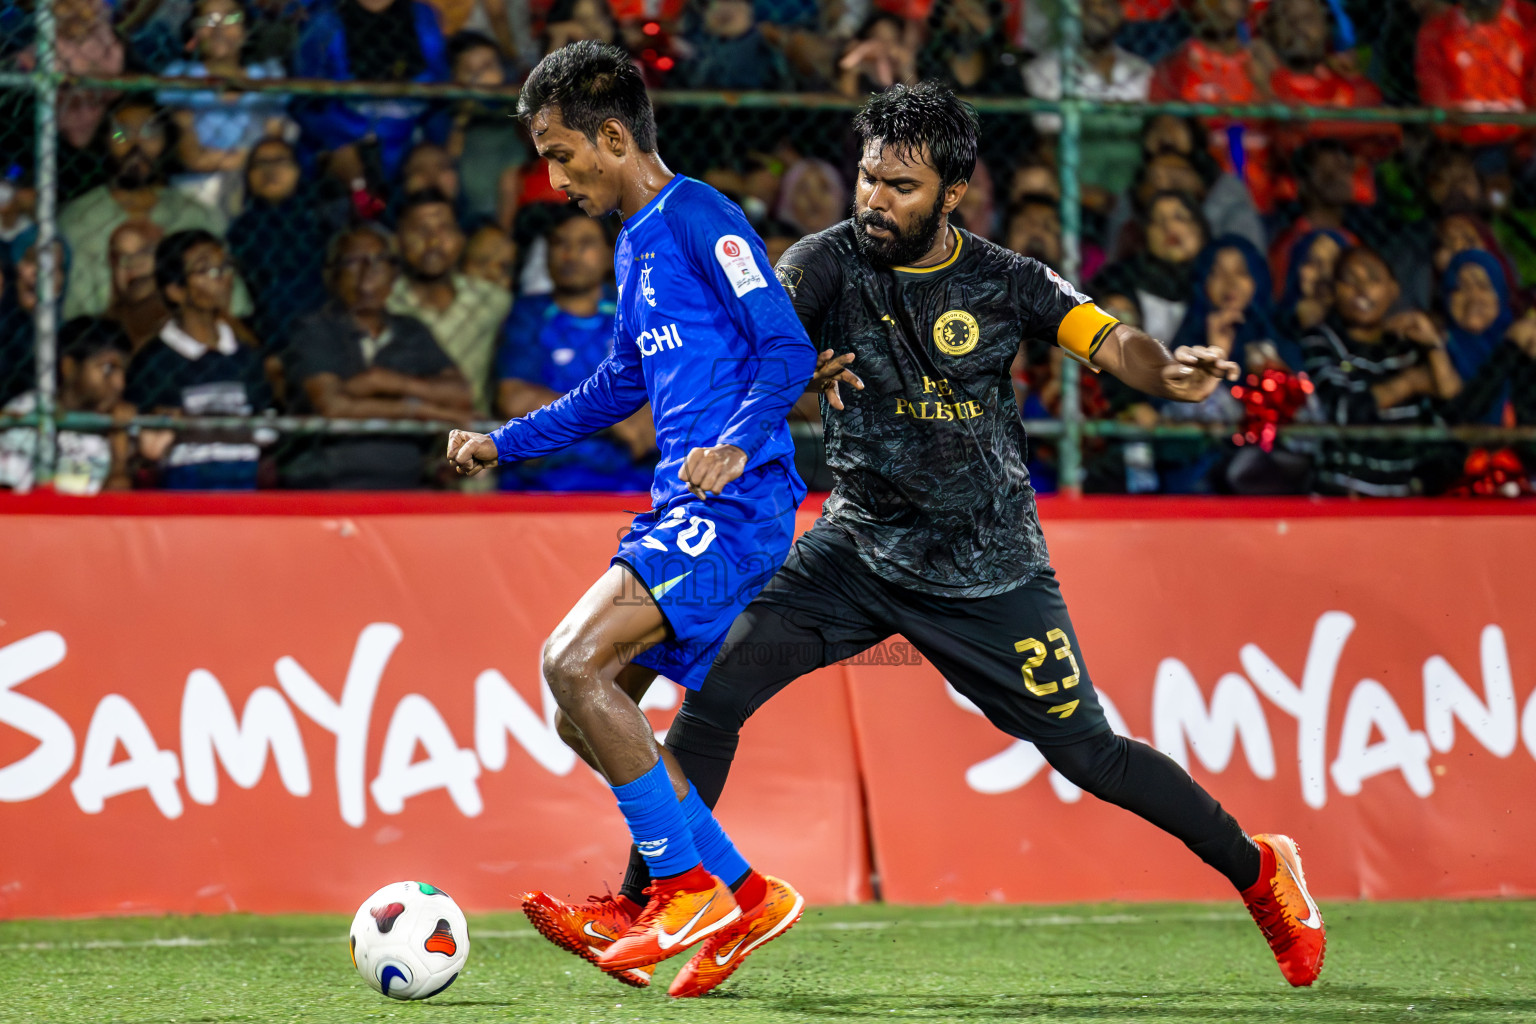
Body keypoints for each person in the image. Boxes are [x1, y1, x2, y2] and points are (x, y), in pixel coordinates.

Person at [526, 80, 1327, 997]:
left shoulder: (1007, 279)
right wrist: (784, 372)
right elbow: (762, 342)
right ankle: (667, 901)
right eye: (868, 178)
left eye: (901, 186)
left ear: (952, 193)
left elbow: (1109, 342)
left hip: (986, 571)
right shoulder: (824, 264)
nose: (875, 199)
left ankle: (1260, 870)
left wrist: (1171, 375)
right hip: (853, 552)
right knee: (710, 701)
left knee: (1091, 756)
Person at [443, 41, 817, 997]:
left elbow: (786, 345)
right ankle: (744, 891)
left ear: (615, 137)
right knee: (586, 709)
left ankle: (682, 890)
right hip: (685, 504)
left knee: (569, 663)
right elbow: (619, 383)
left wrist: (736, 437)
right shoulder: (633, 239)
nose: (555, 178)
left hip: (735, 504)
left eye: (563, 154)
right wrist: (504, 440)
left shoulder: (701, 216)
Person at [283, 223, 473, 488]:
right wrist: (419, 409)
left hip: (406, 481)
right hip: (330, 480)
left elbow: (461, 394)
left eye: (379, 263)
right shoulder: (315, 329)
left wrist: (385, 382)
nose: (366, 276)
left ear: (394, 274)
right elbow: (334, 407)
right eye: (353, 263)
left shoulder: (410, 330)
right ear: (333, 274)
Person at [495, 207, 653, 491]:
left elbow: (662, 403)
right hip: (542, 481)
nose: (570, 254)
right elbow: (514, 399)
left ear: (609, 254)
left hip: (631, 480)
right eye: (560, 243)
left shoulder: (635, 314)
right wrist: (610, 420)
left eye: (585, 244)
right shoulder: (529, 315)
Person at [57, 95, 254, 322]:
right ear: (104, 141)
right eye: (121, 134)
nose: (136, 144)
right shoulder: (78, 219)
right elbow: (76, 316)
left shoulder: (195, 213)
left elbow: (234, 306)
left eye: (150, 132)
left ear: (167, 141)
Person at [1300, 246, 1463, 496]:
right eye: (1349, 280)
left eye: (1373, 279)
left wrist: (1432, 344)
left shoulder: (1407, 346)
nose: (1361, 290)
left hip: (1405, 493)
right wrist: (1408, 384)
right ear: (1334, 292)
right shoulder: (1322, 340)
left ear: (1393, 290)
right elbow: (1342, 412)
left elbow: (1455, 409)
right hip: (1343, 491)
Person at [126, 229, 270, 489]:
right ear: (176, 291)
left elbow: (266, 431)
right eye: (207, 270)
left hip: (243, 486)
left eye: (225, 267)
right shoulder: (155, 362)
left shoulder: (245, 355)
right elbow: (145, 449)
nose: (223, 278)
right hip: (183, 493)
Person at [290, 0, 449, 187]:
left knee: (431, 170)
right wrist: (337, 142)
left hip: (406, 141)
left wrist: (436, 143)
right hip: (342, 138)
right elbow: (306, 99)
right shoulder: (324, 21)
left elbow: (439, 91)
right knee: (355, 186)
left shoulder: (423, 16)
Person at [157, 0, 290, 216]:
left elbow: (273, 145)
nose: (219, 28)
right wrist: (246, 159)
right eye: (208, 20)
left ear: (246, 29)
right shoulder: (180, 76)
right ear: (194, 32)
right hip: (195, 192)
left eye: (230, 18)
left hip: (257, 186)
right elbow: (191, 156)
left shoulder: (269, 75)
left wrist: (216, 159)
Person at [385, 188, 511, 414]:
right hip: (405, 433)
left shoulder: (493, 302)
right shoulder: (385, 303)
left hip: (475, 434)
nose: (433, 241)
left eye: (444, 229)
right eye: (420, 230)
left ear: (461, 239)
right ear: (397, 242)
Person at [1150, 0, 1274, 211]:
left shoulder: (1265, 63)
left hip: (1266, 197)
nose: (1220, 4)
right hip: (1202, 202)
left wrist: (1269, 86)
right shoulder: (1175, 68)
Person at [1023, 0, 1153, 200]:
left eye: (1108, 5)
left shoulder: (1141, 72)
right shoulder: (1041, 72)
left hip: (1129, 190)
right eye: (1090, 4)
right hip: (1068, 187)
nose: (1099, 10)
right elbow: (1048, 142)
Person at [0, 316, 134, 495]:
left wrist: (119, 457)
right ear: (69, 367)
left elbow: (118, 512)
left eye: (123, 371)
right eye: (108, 368)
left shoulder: (119, 424)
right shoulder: (26, 414)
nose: (120, 383)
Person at [227, 138, 333, 352]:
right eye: (260, 164)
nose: (270, 170)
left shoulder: (327, 214)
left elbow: (373, 209)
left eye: (280, 161)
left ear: (298, 169)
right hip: (268, 336)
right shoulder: (241, 231)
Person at [1415, 0, 1536, 149]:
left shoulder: (1527, 22)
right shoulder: (1436, 33)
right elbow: (1438, 101)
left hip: (1521, 137)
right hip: (1459, 138)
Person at [1092, 189, 1207, 343]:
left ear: (1201, 229)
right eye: (1157, 221)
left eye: (1179, 217)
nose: (1168, 227)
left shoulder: (1216, 284)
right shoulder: (1119, 279)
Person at [104, 219, 170, 350]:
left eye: (144, 252)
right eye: (121, 257)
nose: (133, 264)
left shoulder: (188, 321)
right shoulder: (105, 331)